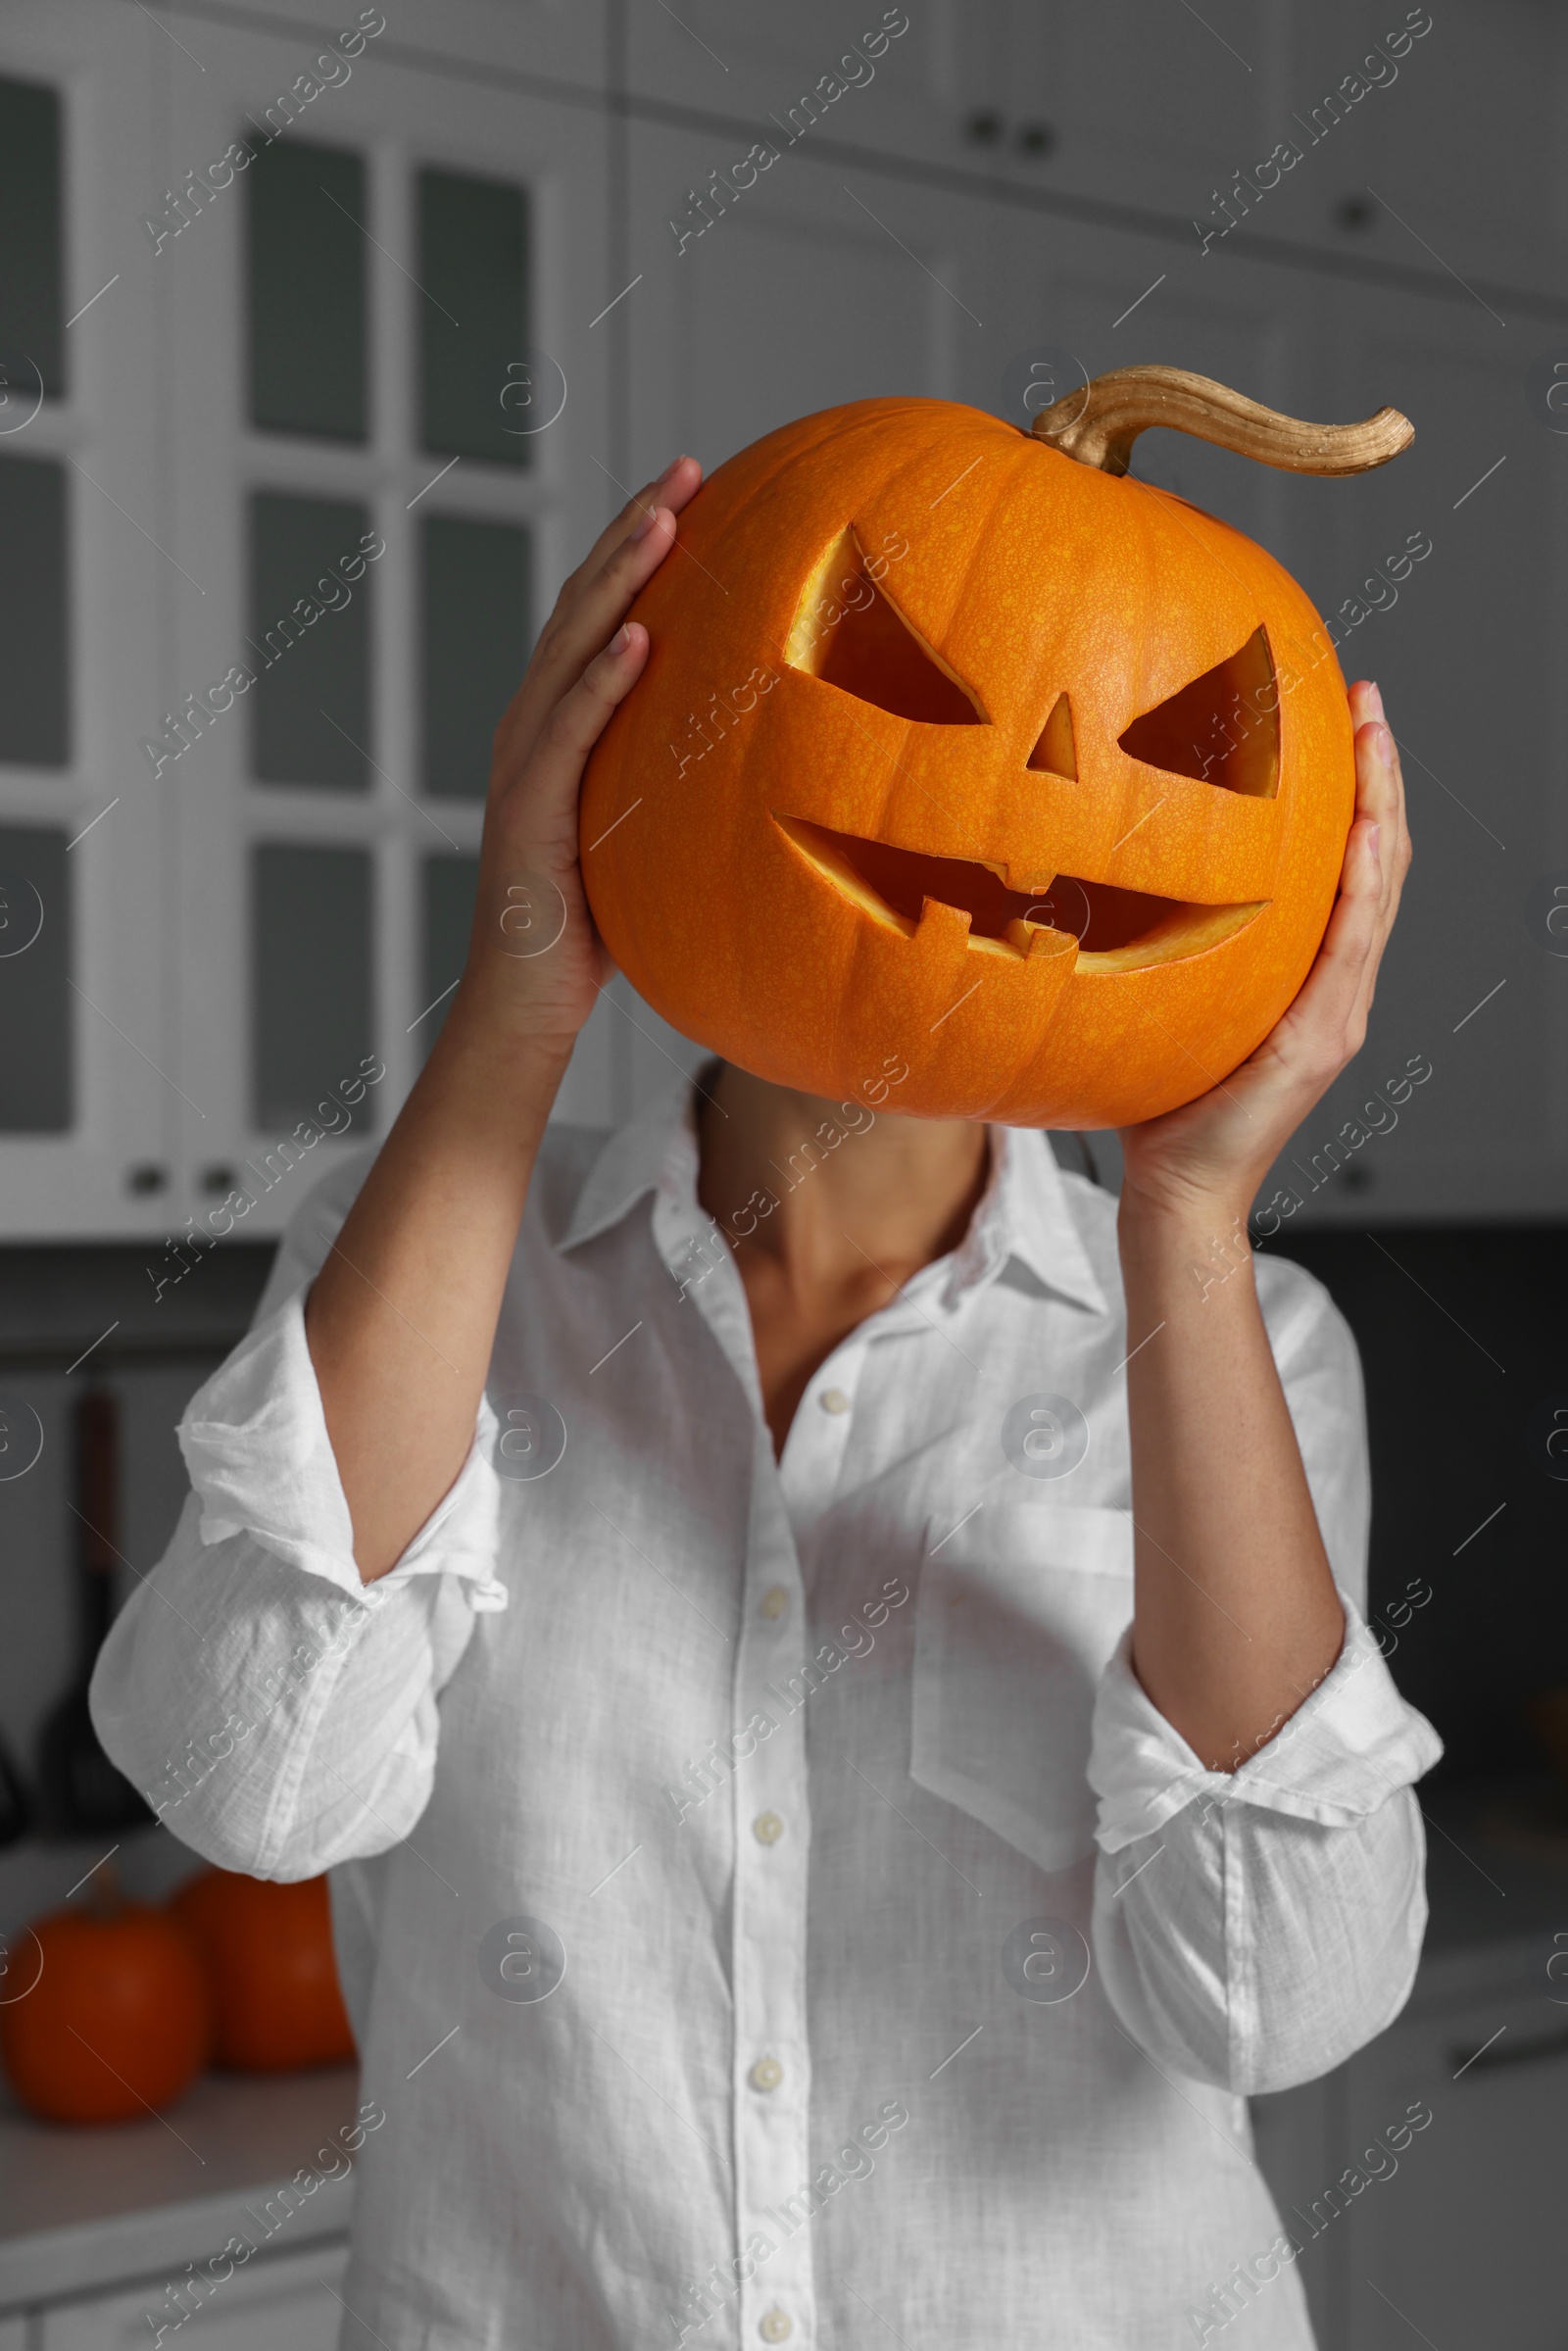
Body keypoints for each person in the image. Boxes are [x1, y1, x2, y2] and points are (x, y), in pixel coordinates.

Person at [93, 454, 1441, 2351]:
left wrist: (1189, 1209)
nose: (1031, 796)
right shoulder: (436, 1262)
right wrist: (515, 999)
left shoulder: (1244, 1340)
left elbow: (1271, 1998)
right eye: (891, 680)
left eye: (1165, 744)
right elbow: (254, 1784)